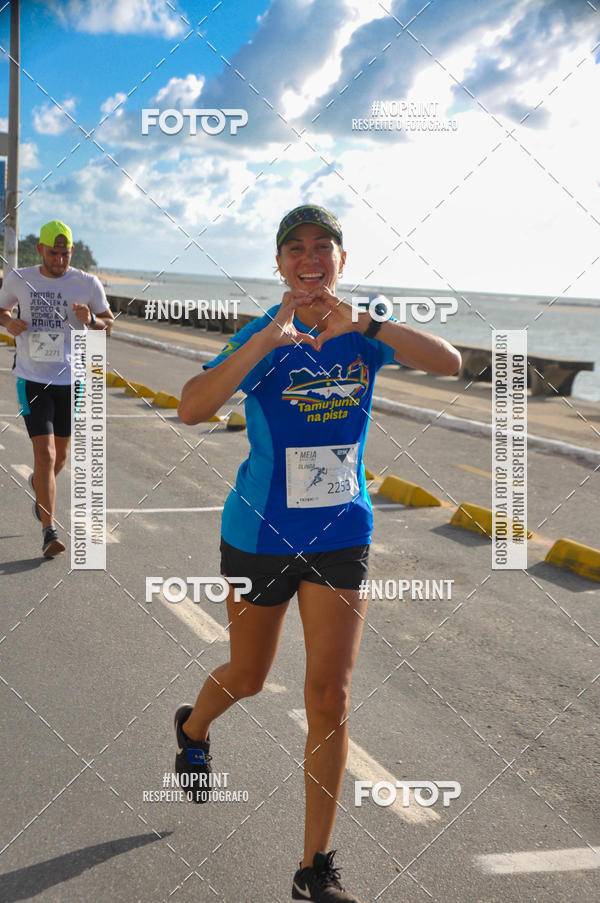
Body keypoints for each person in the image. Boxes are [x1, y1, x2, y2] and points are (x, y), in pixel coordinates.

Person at [176, 205, 461, 902]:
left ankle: (314, 868)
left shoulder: (363, 331)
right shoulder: (262, 334)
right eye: (295, 248)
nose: (310, 258)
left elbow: (451, 364)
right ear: (279, 264)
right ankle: (193, 726)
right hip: (260, 535)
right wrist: (263, 343)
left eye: (322, 246)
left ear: (341, 259)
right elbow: (191, 407)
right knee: (249, 675)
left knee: (329, 696)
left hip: (340, 534)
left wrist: (367, 325)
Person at [0, 219, 114, 557]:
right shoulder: (20, 278)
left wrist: (91, 320)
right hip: (33, 378)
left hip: (70, 381)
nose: (59, 260)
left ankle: (39, 485)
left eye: (65, 254)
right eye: (53, 253)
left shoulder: (87, 284)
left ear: (71, 251)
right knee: (46, 454)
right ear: (40, 249)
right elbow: (1, 309)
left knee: (60, 456)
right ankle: (49, 532)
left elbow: (109, 324)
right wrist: (8, 322)